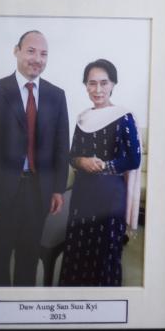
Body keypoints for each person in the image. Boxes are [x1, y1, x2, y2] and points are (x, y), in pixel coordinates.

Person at [0, 30, 70, 286]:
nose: (37, 58)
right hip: (0, 194)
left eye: (44, 53)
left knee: (29, 258)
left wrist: (57, 189)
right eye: (31, 51)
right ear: (17, 51)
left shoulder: (57, 96)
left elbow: (60, 148)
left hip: (39, 193)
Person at [59, 59, 142, 287]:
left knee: (105, 251)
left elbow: (133, 159)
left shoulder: (123, 117)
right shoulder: (83, 119)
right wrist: (81, 161)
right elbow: (72, 155)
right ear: (85, 85)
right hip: (83, 194)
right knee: (79, 249)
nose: (97, 90)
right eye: (92, 83)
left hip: (109, 195)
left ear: (113, 84)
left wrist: (104, 165)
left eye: (103, 83)